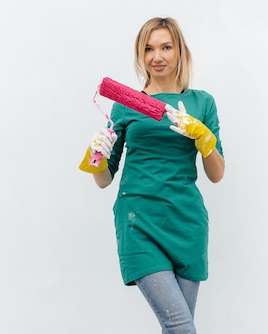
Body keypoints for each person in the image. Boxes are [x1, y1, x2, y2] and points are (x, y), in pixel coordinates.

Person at [79, 17, 225, 333]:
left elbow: (217, 173)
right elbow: (104, 179)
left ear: (180, 52)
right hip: (139, 220)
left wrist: (203, 138)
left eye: (165, 47)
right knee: (181, 327)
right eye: (148, 49)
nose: (156, 56)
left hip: (186, 223)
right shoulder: (125, 106)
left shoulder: (202, 103)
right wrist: (97, 155)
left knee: (176, 328)